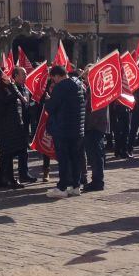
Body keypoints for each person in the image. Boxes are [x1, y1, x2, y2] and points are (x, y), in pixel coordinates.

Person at [44, 65, 85, 198]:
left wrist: (47, 100)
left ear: (57, 76)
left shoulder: (61, 87)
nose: (53, 81)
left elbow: (50, 107)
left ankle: (62, 187)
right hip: (78, 128)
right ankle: (76, 186)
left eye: (53, 78)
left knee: (64, 159)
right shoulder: (78, 84)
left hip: (63, 129)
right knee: (75, 158)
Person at [0, 71, 29, 190]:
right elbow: (10, 98)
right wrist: (12, 86)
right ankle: (8, 179)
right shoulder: (1, 90)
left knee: (7, 155)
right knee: (7, 154)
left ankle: (2, 179)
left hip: (13, 127)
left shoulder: (9, 88)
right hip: (6, 127)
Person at [82, 71, 108, 192]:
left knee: (96, 156)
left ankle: (98, 182)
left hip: (94, 127)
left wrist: (89, 125)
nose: (85, 77)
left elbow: (96, 111)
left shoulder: (97, 90)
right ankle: (96, 180)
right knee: (94, 156)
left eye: (87, 75)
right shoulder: (89, 89)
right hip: (93, 127)